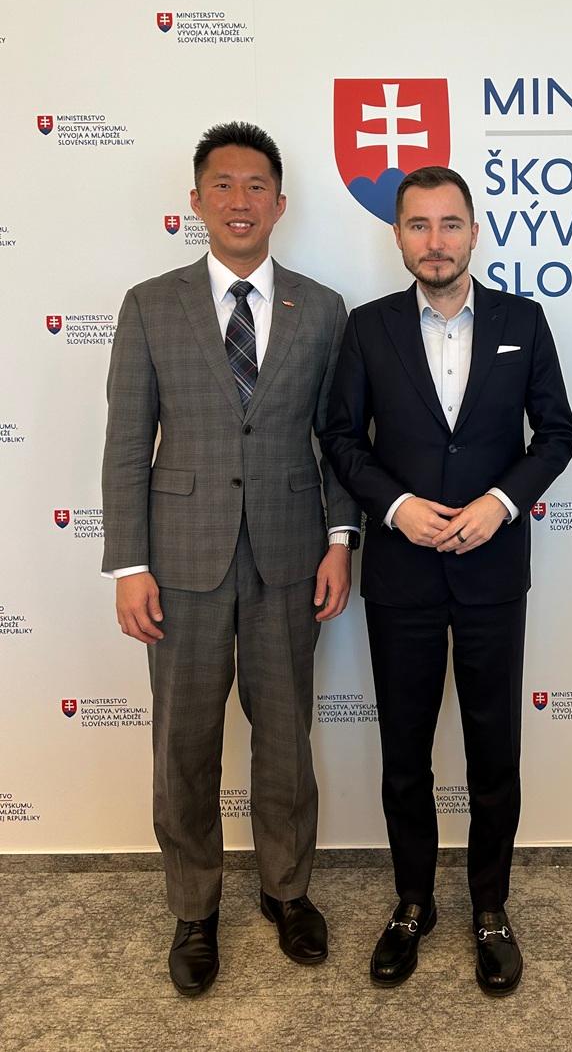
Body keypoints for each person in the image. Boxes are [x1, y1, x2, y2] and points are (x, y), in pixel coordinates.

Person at [101, 122, 359, 996]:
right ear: (197, 200)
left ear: (280, 203)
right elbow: (126, 444)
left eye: (256, 186)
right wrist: (128, 563)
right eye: (223, 185)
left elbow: (337, 438)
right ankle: (194, 908)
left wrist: (340, 539)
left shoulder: (321, 308)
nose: (240, 200)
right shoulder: (150, 304)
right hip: (179, 561)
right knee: (185, 740)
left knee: (285, 736)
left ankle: (286, 891)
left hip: (291, 556)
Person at [321, 165, 572, 997]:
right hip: (402, 575)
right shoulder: (367, 328)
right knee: (405, 754)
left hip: (493, 573)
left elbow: (557, 434)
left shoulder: (523, 321)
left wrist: (501, 503)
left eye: (450, 224)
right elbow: (340, 437)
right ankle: (413, 903)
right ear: (398, 235)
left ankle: (490, 908)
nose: (435, 242)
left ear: (473, 230)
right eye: (419, 225)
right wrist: (396, 507)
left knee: (494, 750)